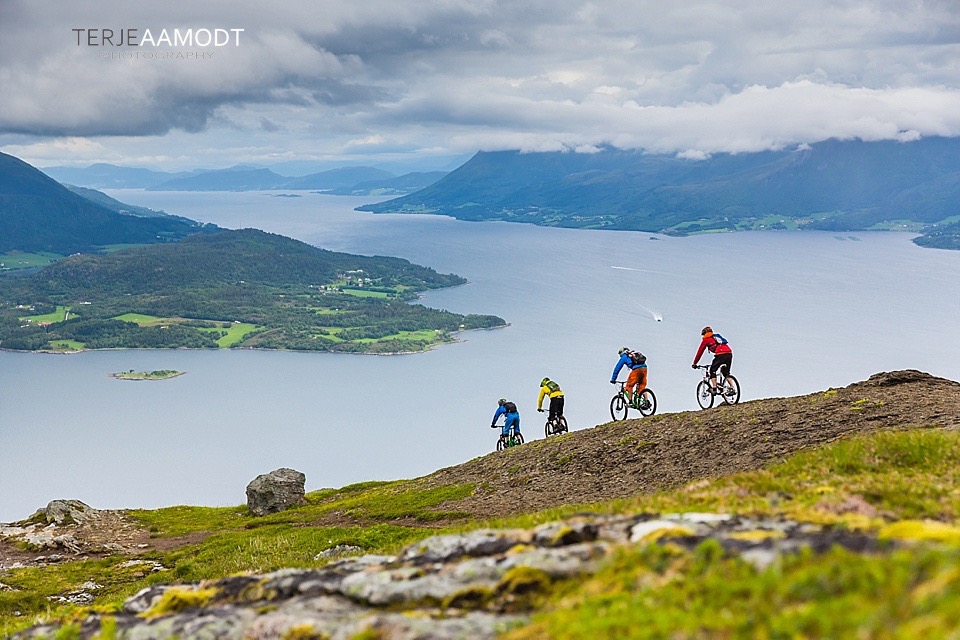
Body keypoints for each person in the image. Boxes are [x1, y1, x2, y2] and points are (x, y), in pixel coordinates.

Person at [692, 326, 733, 393]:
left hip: (720, 354)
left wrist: (695, 363)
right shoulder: (716, 337)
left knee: (712, 370)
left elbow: (700, 352)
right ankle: (732, 387)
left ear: (704, 334)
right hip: (729, 353)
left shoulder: (706, 340)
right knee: (726, 372)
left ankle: (714, 388)